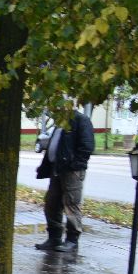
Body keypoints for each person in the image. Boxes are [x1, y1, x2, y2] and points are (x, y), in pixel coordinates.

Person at [35, 105, 95, 252]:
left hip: (72, 171)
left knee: (71, 203)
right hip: (57, 169)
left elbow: (87, 146)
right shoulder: (60, 124)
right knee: (51, 203)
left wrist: (74, 165)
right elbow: (55, 146)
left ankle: (72, 240)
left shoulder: (81, 120)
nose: (54, 111)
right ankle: (54, 238)